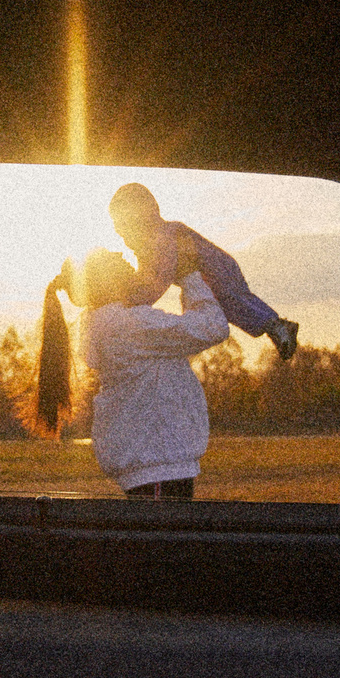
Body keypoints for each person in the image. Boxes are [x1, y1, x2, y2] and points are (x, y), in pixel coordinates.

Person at [35, 248, 227, 499]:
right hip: (157, 465)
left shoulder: (113, 323)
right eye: (115, 260)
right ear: (106, 281)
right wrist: (190, 277)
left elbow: (191, 334)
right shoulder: (130, 324)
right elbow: (213, 327)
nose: (123, 257)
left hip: (156, 464)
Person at [107, 181, 298, 361]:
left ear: (139, 220)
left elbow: (160, 277)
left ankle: (275, 325)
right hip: (210, 273)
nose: (123, 235)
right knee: (230, 306)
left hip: (215, 270)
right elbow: (148, 275)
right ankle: (275, 326)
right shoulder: (152, 244)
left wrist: (137, 300)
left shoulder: (164, 237)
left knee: (232, 301)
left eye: (124, 226)